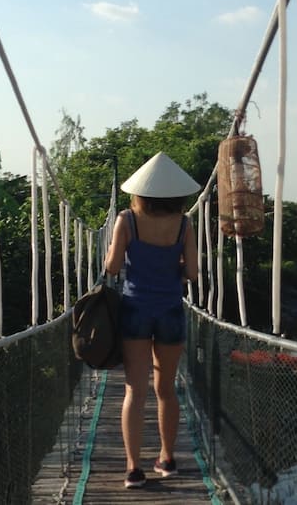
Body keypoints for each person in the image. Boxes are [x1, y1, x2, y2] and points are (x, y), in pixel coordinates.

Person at [104, 152, 200, 489]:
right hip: (171, 310)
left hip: (135, 311)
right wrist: (171, 270)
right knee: (166, 389)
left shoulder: (126, 221)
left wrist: (112, 254)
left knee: (135, 389)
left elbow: (113, 268)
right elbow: (191, 271)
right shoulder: (185, 224)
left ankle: (133, 468)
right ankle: (167, 458)